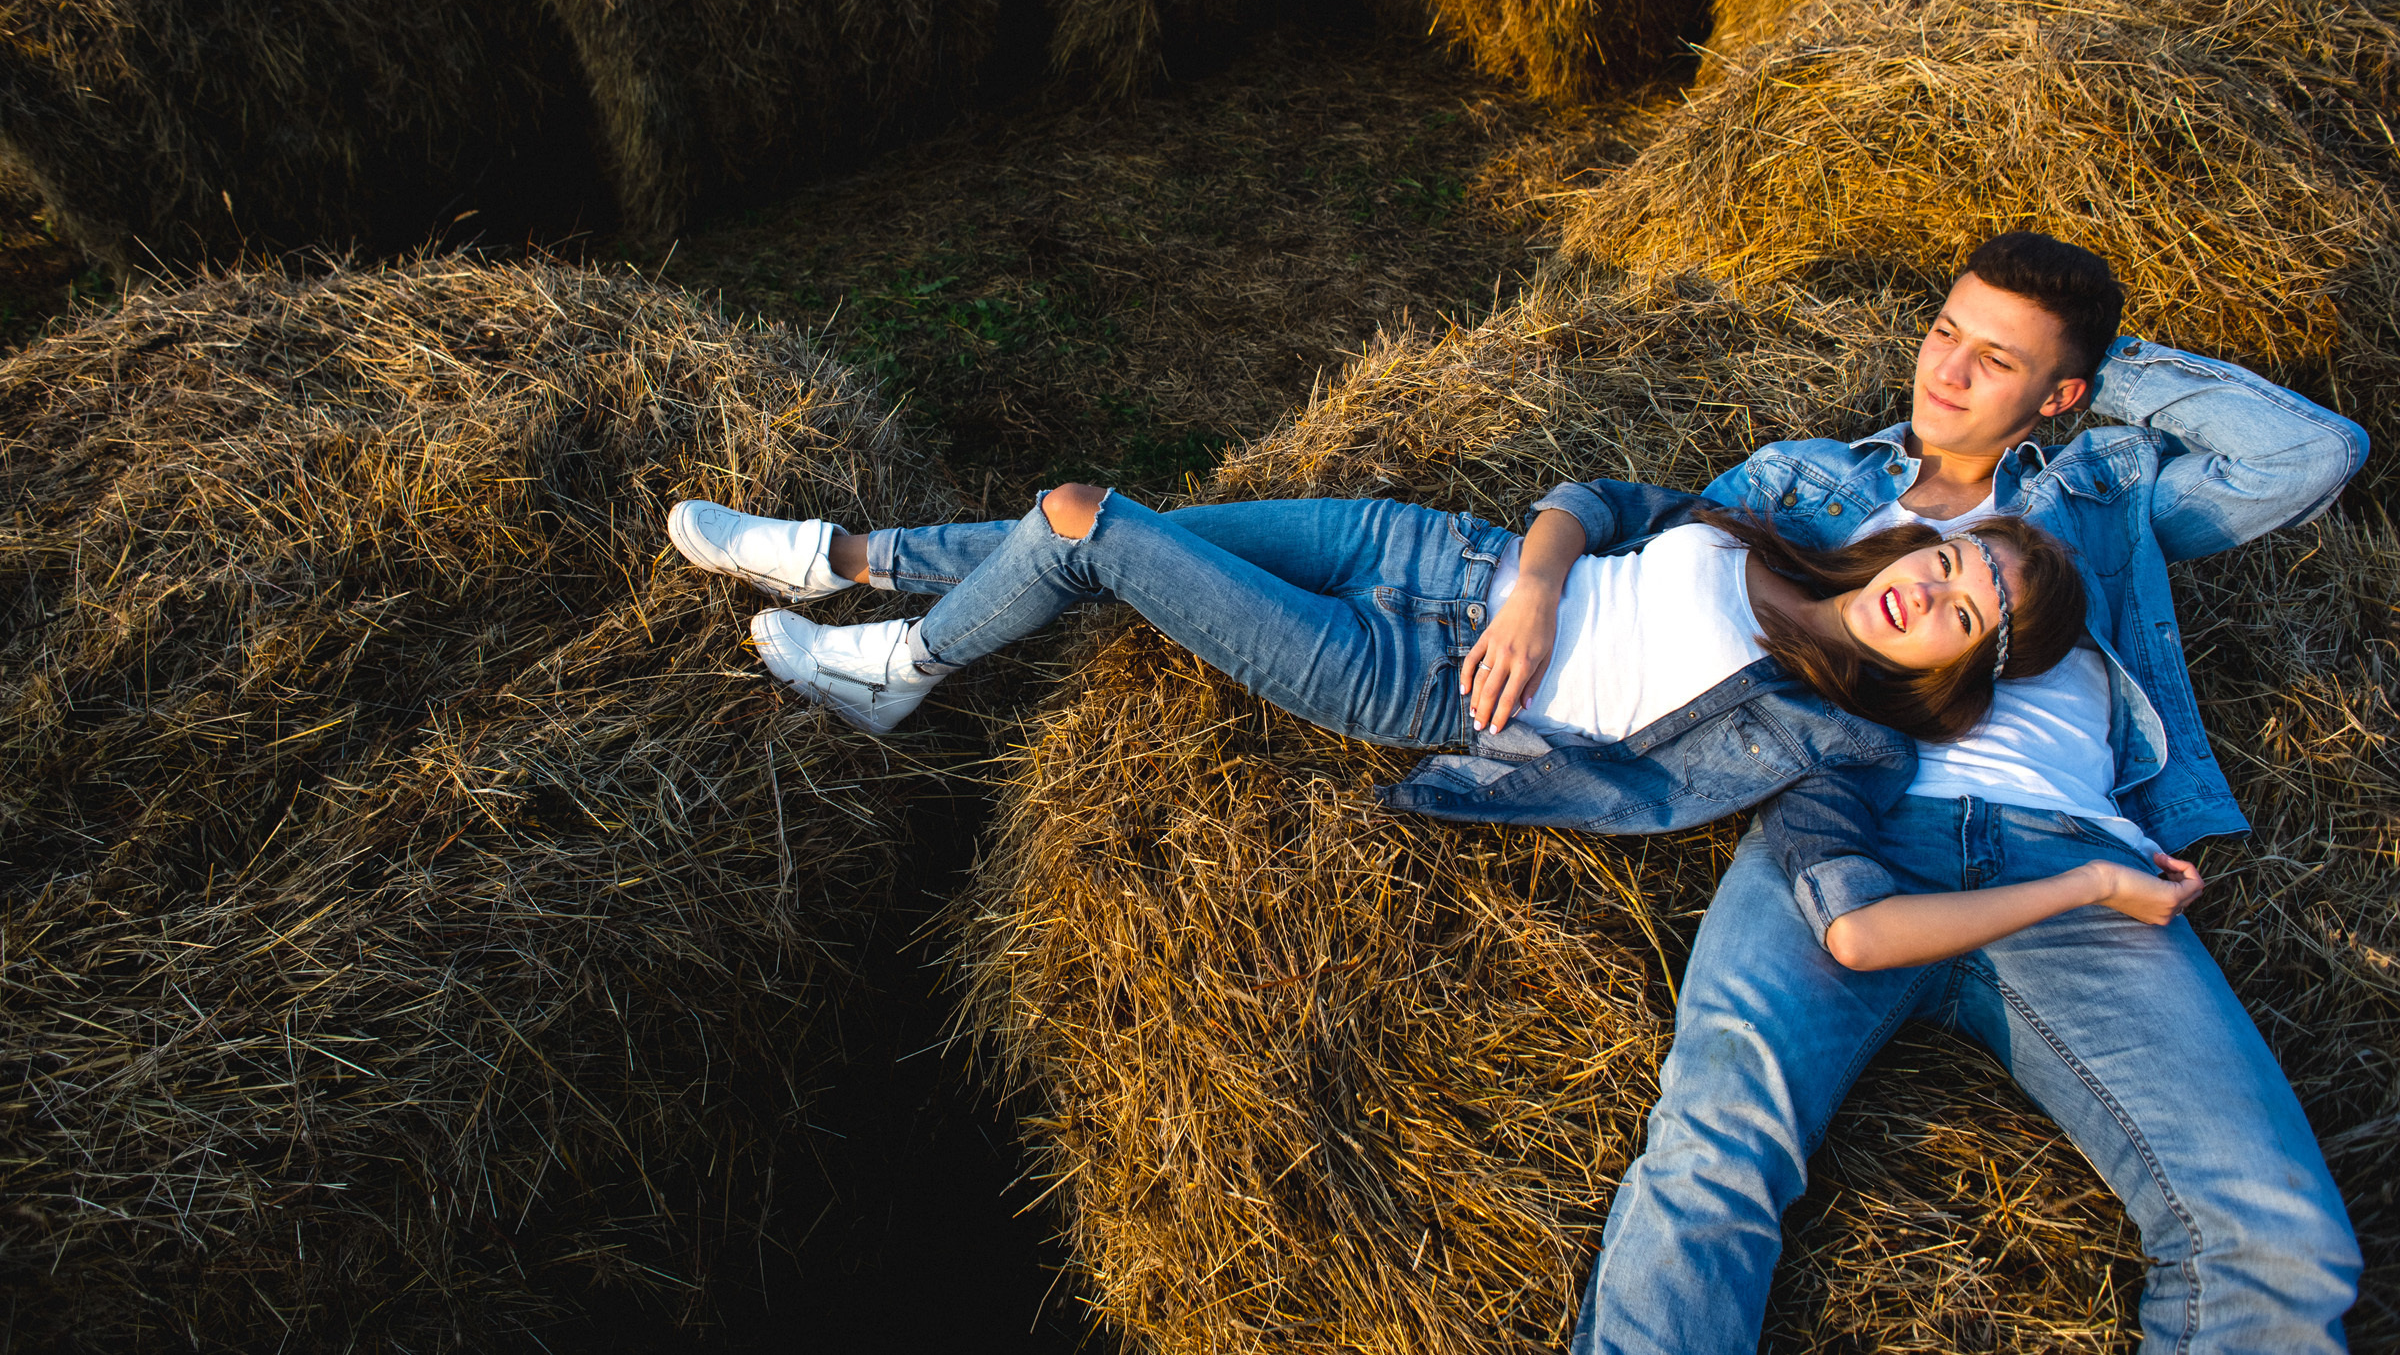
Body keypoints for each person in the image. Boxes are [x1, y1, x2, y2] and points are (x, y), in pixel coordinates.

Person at [1556, 232, 2367, 1353]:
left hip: (2076, 859)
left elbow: (2313, 453)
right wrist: (1532, 593)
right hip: (1846, 832)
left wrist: (2105, 366)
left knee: (2278, 1241)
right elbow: (1649, 569)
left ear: (2061, 393)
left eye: (1998, 358)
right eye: (1945, 330)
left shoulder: (2100, 494)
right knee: (1713, 1155)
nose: (1947, 370)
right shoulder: (1810, 481)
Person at [668, 447, 2185, 1000]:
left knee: (1085, 519)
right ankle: (840, 557)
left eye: (1971, 612)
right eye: (1959, 561)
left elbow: (1855, 926)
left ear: (1962, 667)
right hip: (1428, 552)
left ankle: (897, 666)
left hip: (1396, 671)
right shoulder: (1784, 541)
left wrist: (2084, 885)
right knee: (1115, 524)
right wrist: (1537, 585)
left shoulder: (1835, 733)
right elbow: (1597, 500)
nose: (1938, 589)